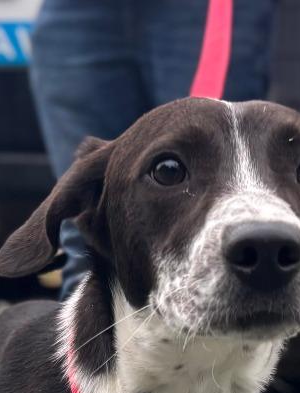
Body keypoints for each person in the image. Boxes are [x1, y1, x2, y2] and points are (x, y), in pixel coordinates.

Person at [30, 0, 278, 301]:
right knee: (84, 236)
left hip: (197, 11)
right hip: (75, 10)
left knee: (214, 224)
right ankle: (94, 349)